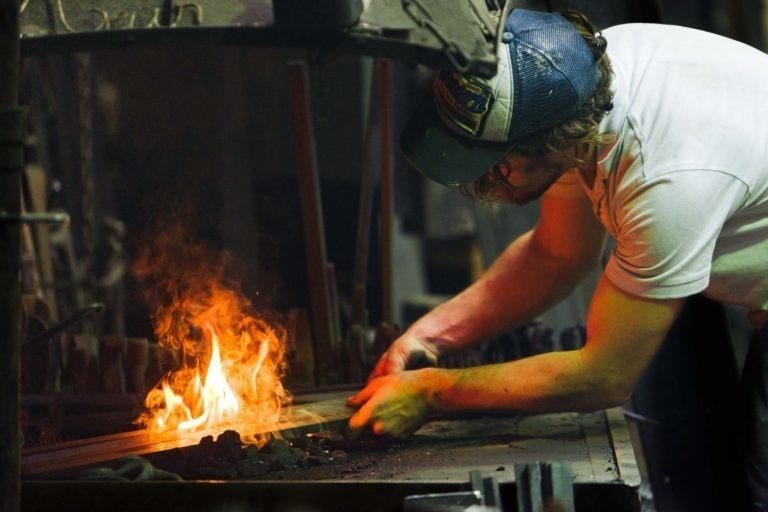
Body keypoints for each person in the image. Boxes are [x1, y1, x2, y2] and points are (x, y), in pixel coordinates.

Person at [344, 7, 768, 510]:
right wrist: (427, 337)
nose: (479, 186)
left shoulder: (666, 179)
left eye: (495, 170)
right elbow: (557, 253)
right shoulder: (576, 86)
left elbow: (606, 373)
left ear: (558, 143)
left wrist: (434, 392)